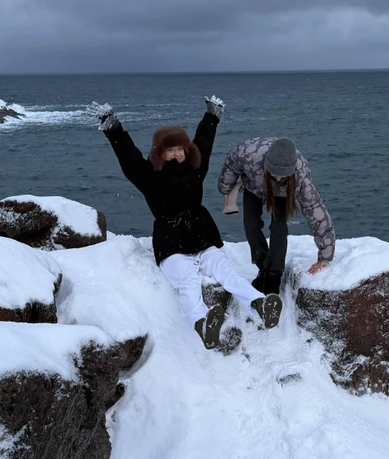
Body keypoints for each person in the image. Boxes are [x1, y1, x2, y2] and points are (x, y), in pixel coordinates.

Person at [95, 97, 282, 349]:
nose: (176, 154)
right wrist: (113, 127)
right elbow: (128, 157)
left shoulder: (195, 169)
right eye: (170, 150)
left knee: (226, 271)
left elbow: (204, 141)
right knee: (188, 280)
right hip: (170, 241)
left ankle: (260, 304)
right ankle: (202, 324)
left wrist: (212, 116)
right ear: (160, 153)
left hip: (202, 235)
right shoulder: (149, 177)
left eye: (180, 149)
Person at [218, 136, 335, 295]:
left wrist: (325, 256)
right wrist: (225, 189)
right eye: (275, 174)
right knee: (251, 224)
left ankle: (274, 276)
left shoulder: (300, 173)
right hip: (254, 185)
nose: (278, 178)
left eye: (283, 175)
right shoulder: (247, 154)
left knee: (279, 226)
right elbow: (231, 166)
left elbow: (315, 210)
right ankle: (262, 268)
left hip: (283, 192)